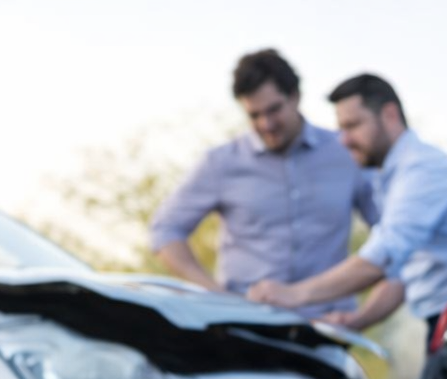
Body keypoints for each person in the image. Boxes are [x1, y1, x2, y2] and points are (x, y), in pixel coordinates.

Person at [247, 73, 447, 337]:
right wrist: (357, 321)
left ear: (389, 115)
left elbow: (380, 259)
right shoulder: (392, 178)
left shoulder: (424, 171)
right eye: (341, 128)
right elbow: (401, 274)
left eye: (353, 125)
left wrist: (293, 293)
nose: (344, 140)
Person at [150, 49, 377, 319]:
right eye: (254, 115)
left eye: (274, 110)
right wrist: (214, 295)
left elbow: (392, 238)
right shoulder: (220, 163)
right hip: (245, 326)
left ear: (295, 97)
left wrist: (363, 317)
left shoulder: (346, 153)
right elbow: (165, 230)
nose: (266, 124)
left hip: (327, 327)